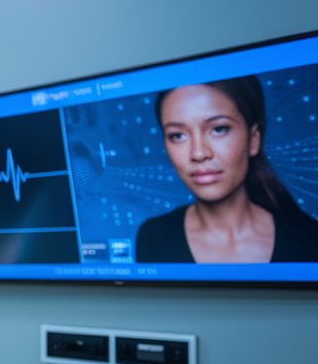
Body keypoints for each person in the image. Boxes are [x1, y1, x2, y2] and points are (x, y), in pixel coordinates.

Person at [135, 76, 318, 263]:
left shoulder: (308, 240)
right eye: (178, 135)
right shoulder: (153, 237)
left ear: (254, 139)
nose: (198, 154)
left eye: (219, 129)